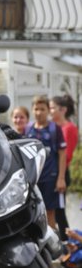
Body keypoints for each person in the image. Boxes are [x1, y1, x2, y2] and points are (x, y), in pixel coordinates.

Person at [25, 95, 66, 230]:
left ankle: (54, 247)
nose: (39, 112)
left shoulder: (55, 129)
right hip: (33, 179)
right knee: (34, 214)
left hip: (50, 177)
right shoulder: (28, 129)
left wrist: (61, 178)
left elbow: (62, 154)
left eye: (42, 109)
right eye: (36, 109)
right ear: (32, 110)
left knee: (50, 212)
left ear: (48, 111)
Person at [50, 95, 78, 241]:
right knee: (50, 211)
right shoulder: (52, 127)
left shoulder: (69, 128)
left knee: (59, 212)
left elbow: (66, 155)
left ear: (63, 110)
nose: (51, 111)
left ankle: (68, 243)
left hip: (60, 173)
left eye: (53, 108)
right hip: (49, 173)